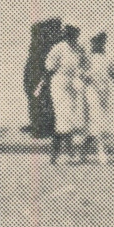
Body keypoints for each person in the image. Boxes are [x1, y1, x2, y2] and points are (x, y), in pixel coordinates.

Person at [40, 26, 88, 164]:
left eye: (76, 32)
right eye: (71, 32)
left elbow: (85, 65)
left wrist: (82, 77)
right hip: (60, 84)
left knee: (74, 119)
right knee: (63, 119)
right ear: (66, 33)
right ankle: (57, 154)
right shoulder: (59, 48)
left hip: (75, 85)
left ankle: (69, 152)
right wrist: (43, 84)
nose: (74, 35)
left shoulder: (79, 49)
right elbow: (49, 68)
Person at [83, 32, 114, 163]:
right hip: (91, 90)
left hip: (106, 91)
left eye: (101, 41)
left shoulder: (108, 57)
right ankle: (101, 152)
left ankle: (84, 151)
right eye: (96, 41)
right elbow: (81, 74)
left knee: (97, 124)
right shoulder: (87, 58)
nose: (98, 44)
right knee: (96, 118)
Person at [24, 19, 63, 138]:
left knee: (45, 102)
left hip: (44, 78)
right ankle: (40, 127)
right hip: (39, 77)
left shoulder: (48, 43)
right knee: (41, 102)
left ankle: (43, 128)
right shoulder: (41, 43)